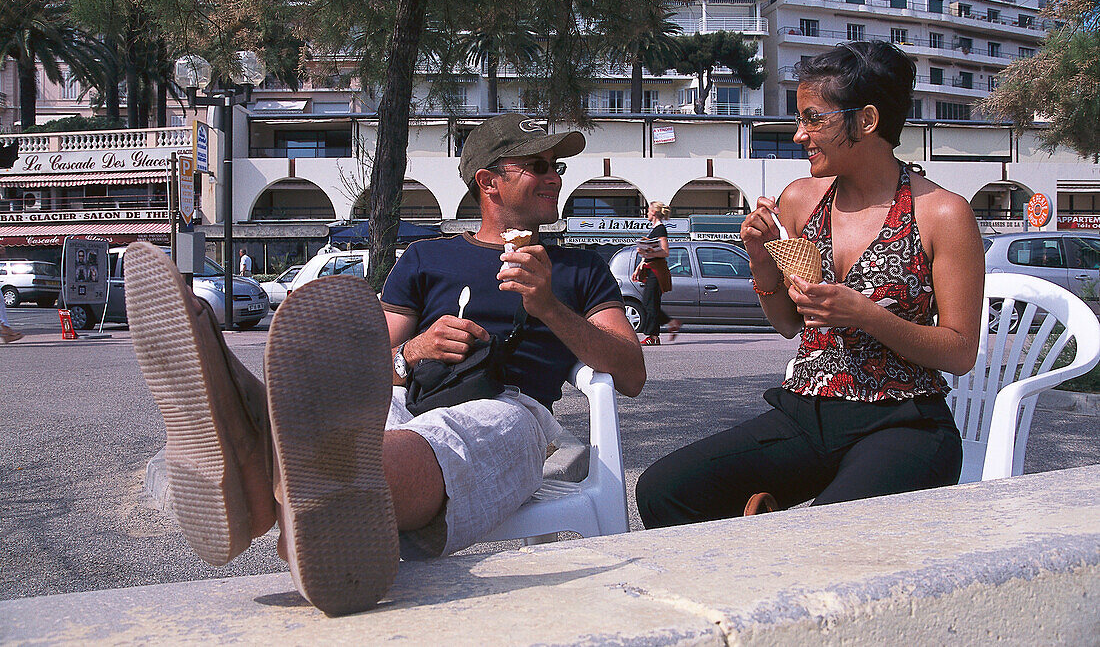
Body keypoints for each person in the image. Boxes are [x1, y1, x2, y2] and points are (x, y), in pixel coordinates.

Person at [124, 112, 645, 617]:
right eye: (540, 165)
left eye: (559, 166)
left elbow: (631, 373)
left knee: (457, 431)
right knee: (354, 422)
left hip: (512, 410)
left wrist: (550, 306)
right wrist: (413, 351)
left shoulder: (580, 267)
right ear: (489, 181)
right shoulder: (426, 258)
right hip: (407, 394)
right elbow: (365, 367)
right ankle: (284, 459)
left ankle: (256, 451)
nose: (556, 177)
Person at [636, 41, 984, 527]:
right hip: (805, 411)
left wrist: (863, 313)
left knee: (826, 531)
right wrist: (760, 261)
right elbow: (786, 324)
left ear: (866, 120)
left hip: (904, 420)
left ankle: (777, 528)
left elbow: (960, 352)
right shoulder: (800, 199)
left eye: (813, 118)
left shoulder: (943, 213)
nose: (799, 135)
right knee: (664, 490)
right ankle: (766, 544)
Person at [631, 201, 681, 345]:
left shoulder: (660, 229)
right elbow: (649, 253)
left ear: (654, 212)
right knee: (649, 303)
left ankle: (652, 337)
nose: (647, 213)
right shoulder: (654, 229)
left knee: (649, 303)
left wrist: (649, 251)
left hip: (657, 271)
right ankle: (670, 324)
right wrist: (639, 266)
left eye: (648, 210)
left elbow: (665, 251)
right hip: (651, 269)